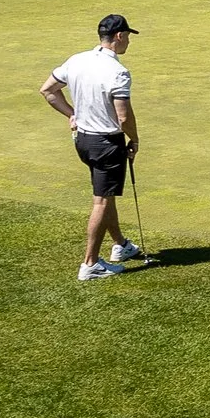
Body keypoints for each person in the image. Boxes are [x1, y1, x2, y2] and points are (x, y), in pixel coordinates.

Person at [39, 15, 146, 281]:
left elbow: (48, 90)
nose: (129, 41)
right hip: (106, 143)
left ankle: (120, 244)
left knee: (104, 192)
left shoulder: (77, 60)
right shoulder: (118, 72)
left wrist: (71, 114)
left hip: (84, 140)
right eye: (128, 36)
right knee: (101, 200)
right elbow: (123, 117)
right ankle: (90, 264)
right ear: (119, 36)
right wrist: (134, 139)